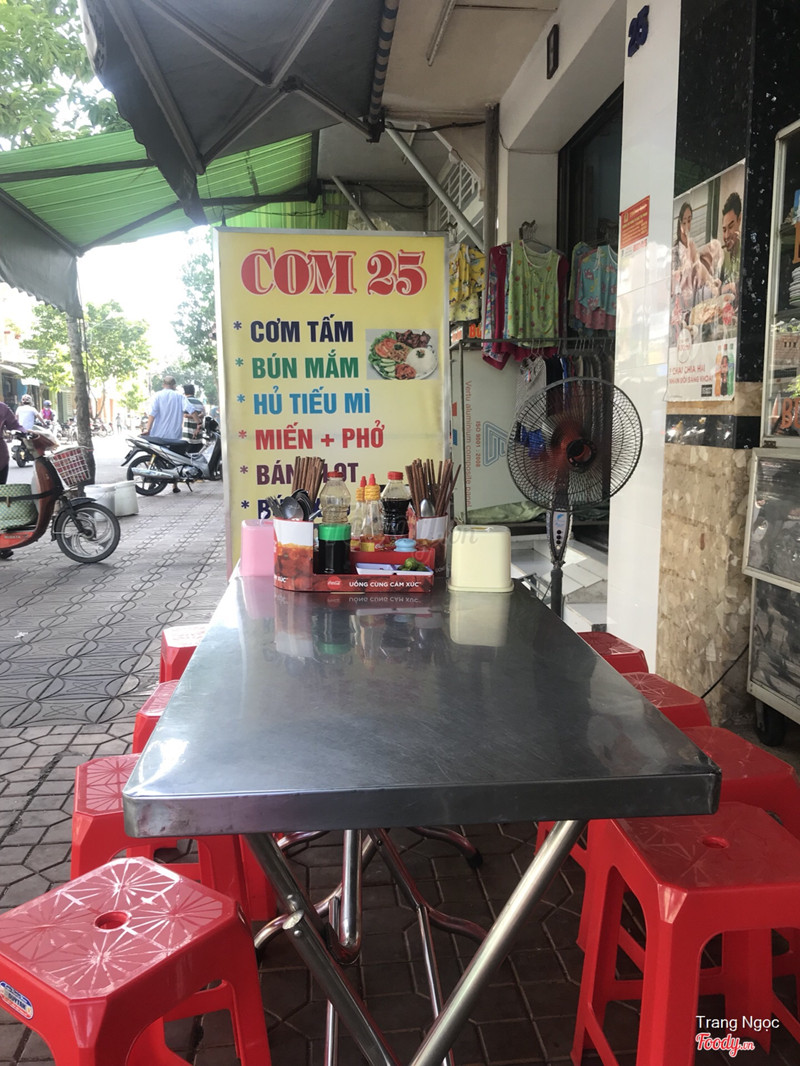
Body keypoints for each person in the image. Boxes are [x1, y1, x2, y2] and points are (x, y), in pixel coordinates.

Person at [145, 375, 201, 494]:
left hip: (158, 435)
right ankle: (174, 486)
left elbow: (152, 413)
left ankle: (151, 482)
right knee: (174, 460)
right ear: (174, 385)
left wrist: (148, 429)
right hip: (174, 436)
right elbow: (192, 410)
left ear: (163, 384)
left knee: (154, 458)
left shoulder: (157, 396)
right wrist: (199, 424)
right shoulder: (180, 397)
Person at [719, 190, 742, 299]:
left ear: (739, 219)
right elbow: (715, 290)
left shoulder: (745, 252)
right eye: (724, 230)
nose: (727, 235)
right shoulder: (724, 257)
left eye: (731, 227)